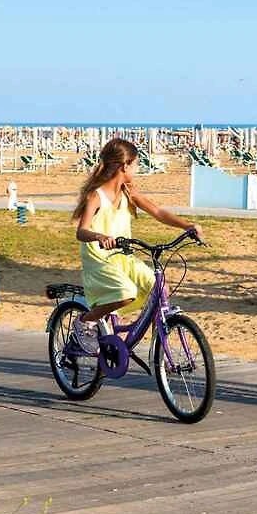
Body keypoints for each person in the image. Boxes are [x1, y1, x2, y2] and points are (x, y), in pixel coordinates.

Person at [71, 138, 202, 353]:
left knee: (159, 287)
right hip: (99, 259)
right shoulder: (96, 196)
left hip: (123, 257)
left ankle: (159, 350)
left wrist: (187, 226)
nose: (137, 169)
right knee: (126, 292)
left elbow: (158, 212)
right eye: (135, 165)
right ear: (124, 166)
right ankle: (85, 321)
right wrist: (99, 236)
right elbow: (81, 231)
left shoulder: (128, 192)